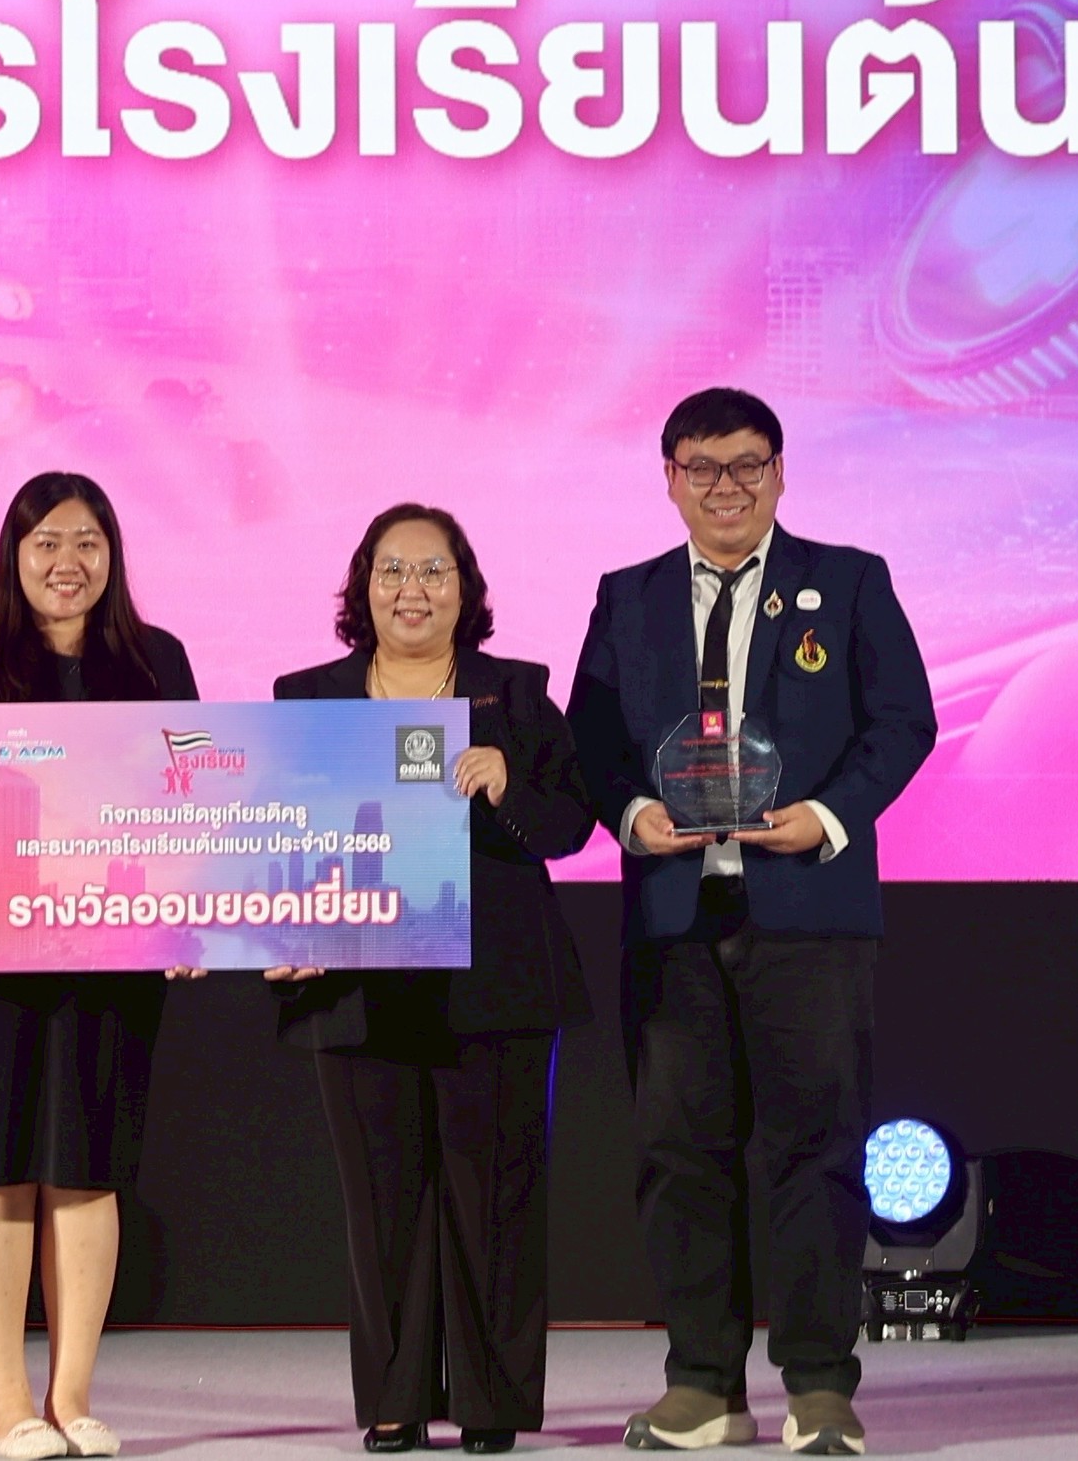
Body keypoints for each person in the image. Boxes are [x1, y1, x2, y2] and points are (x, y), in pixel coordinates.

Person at [567, 390, 936, 1458]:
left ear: (779, 472)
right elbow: (590, 738)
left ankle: (818, 1385)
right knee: (678, 1151)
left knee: (815, 1150)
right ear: (669, 478)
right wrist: (630, 814)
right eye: (702, 466)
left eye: (746, 465)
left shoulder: (848, 581)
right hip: (673, 914)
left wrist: (827, 816)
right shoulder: (627, 596)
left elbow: (903, 721)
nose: (724, 486)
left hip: (807, 909)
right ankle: (703, 1384)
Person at [0, 472, 200, 1461]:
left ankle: (74, 1398)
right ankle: (5, 1402)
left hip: (117, 953)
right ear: (13, 554)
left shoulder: (156, 658)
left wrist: (194, 918)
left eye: (88, 541)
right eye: (47, 542)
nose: (69, 561)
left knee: (91, 1170)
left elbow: (194, 798)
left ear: (113, 554)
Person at [267, 504, 595, 1457]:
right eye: (392, 570)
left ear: (465, 588)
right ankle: (394, 1398)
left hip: (494, 985)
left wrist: (508, 782)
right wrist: (274, 929)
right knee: (380, 1203)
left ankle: (491, 1402)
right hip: (350, 985)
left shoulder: (515, 694)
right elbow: (270, 834)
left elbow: (570, 825)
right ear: (362, 587)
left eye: (433, 570)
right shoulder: (306, 699)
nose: (411, 589)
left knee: (495, 1198)